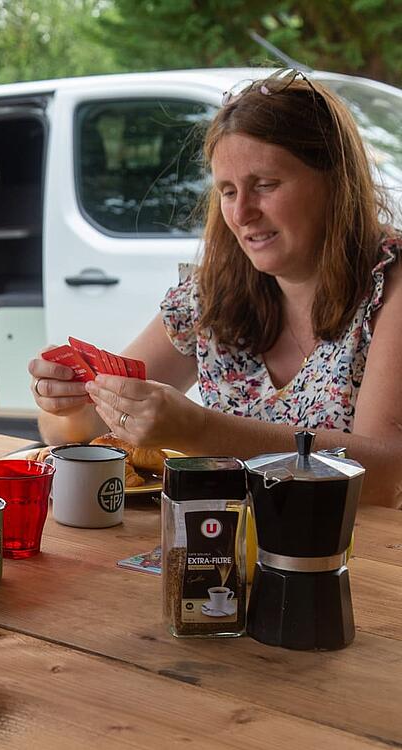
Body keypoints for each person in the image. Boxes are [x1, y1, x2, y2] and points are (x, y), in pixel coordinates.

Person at [29, 68, 402, 509]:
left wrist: (198, 431)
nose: (242, 213)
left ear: (334, 182)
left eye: (265, 185)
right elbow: (78, 431)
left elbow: (386, 476)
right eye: (227, 191)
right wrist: (66, 403)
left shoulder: (390, 283)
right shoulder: (211, 294)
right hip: (227, 551)